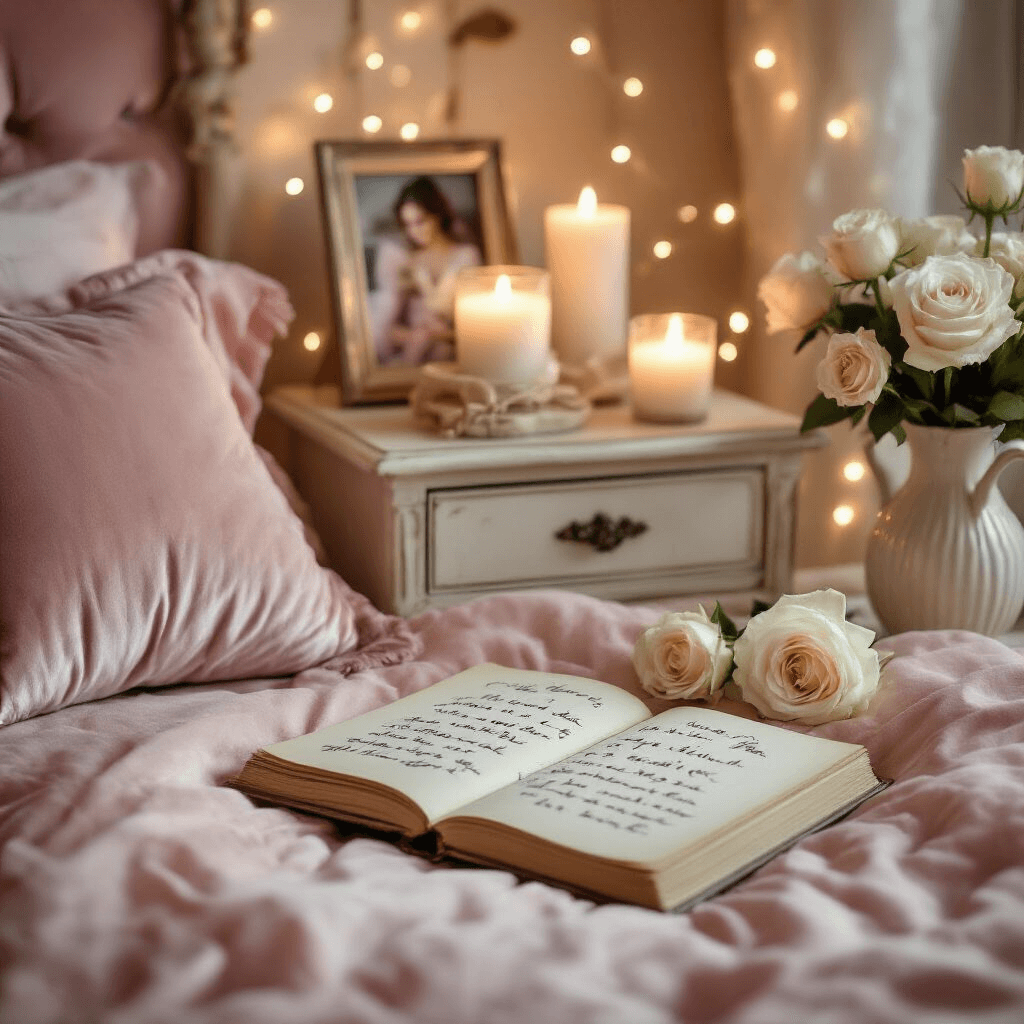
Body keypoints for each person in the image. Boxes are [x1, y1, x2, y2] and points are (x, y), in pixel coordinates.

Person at [369, 176, 482, 366]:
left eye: (420, 221)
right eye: (408, 225)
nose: (414, 231)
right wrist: (414, 337)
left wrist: (434, 335)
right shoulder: (405, 260)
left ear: (436, 215)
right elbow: (389, 326)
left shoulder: (465, 255)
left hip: (452, 348)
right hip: (415, 351)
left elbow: (461, 317)